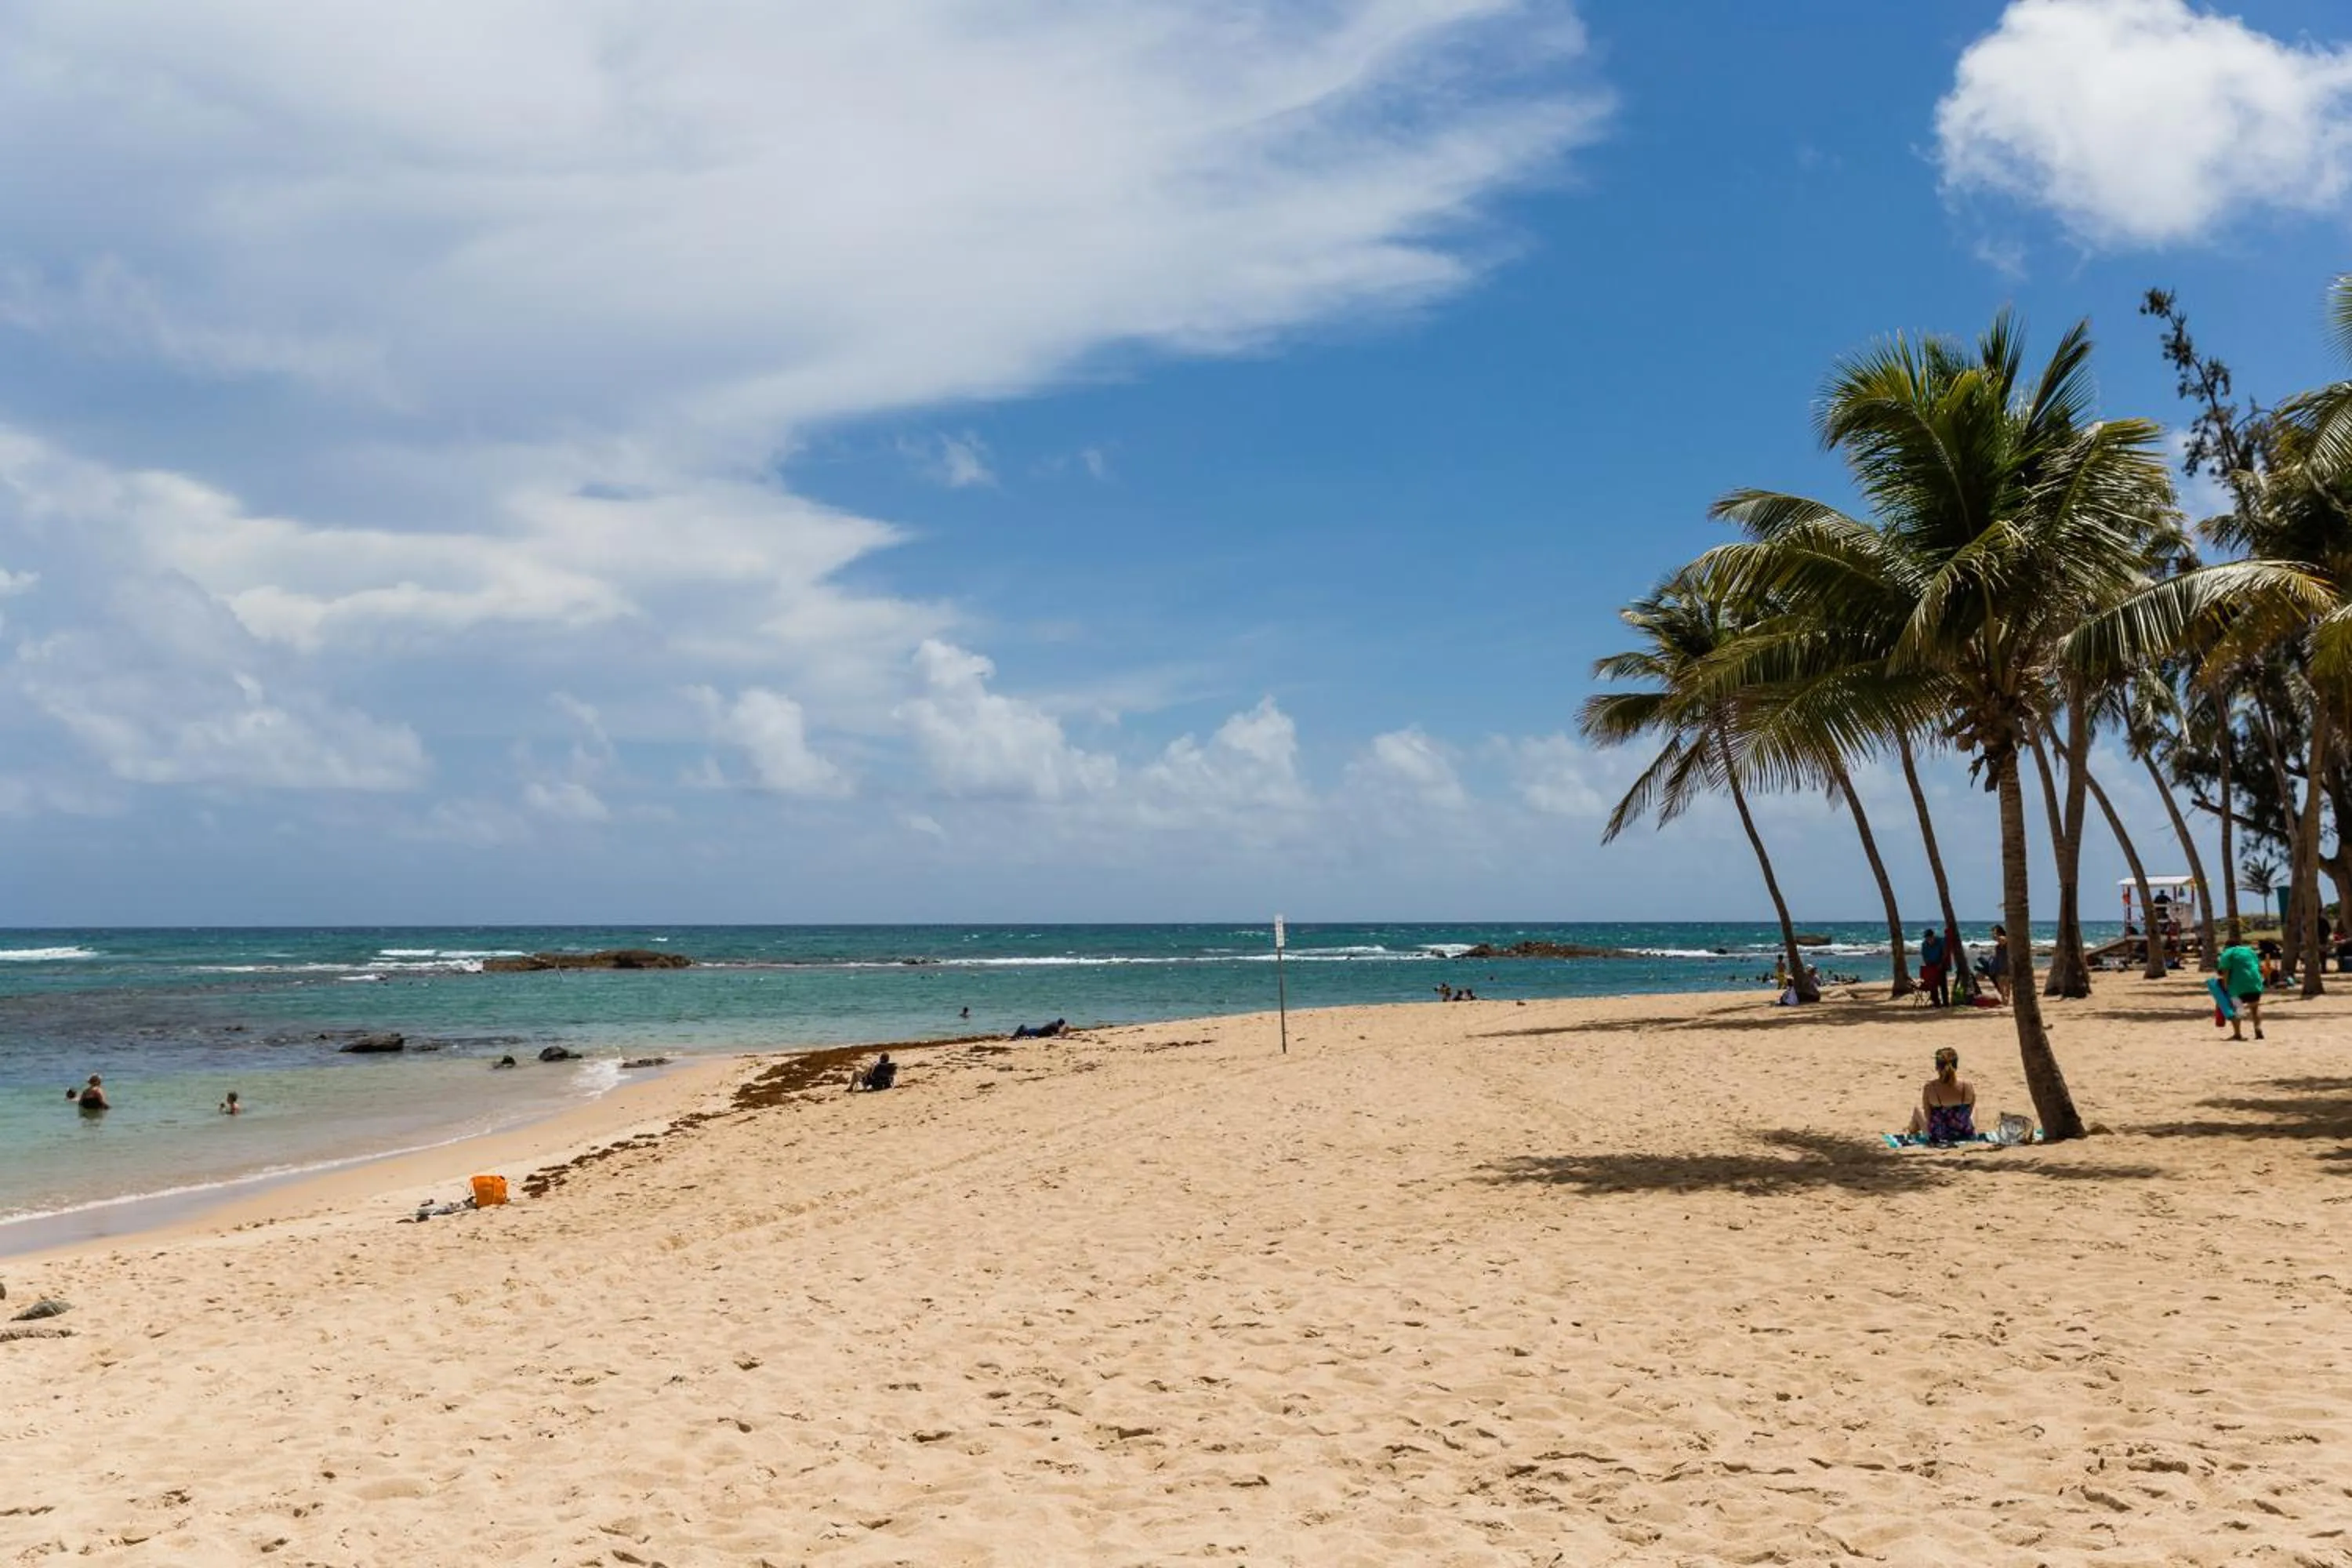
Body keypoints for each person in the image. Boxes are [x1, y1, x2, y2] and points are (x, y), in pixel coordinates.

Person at [1904, 1047, 1977, 1143]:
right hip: (1964, 1133)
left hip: (1939, 1136)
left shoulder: (1930, 1087)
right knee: (1974, 1110)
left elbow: (1928, 1116)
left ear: (1937, 1067)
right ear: (1956, 1066)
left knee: (1918, 1110)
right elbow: (1969, 1111)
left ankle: (1912, 1130)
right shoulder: (1967, 1085)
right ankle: (1973, 1132)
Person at [2216, 922, 2266, 1041]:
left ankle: (2238, 1034)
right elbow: (2259, 967)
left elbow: (2225, 971)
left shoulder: (2227, 953)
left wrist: (2226, 986)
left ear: (2227, 946)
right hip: (2254, 983)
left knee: (2238, 1008)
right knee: (2255, 1007)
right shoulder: (2250, 951)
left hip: (2238, 986)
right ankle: (2258, 1029)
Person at [1918, 926, 1947, 1007]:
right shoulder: (1924, 944)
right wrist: (1927, 964)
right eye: (1927, 938)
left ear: (1933, 936)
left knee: (1943, 984)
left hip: (1940, 964)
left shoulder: (1940, 941)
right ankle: (1936, 1003)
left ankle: (1945, 1003)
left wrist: (1941, 963)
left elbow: (1944, 953)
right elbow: (1924, 955)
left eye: (1930, 938)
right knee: (1932, 984)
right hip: (1930, 965)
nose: (1929, 940)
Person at [1984, 926, 2012, 1005]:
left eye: (1995, 932)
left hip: (2006, 966)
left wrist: (1996, 936)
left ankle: (2007, 1000)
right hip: (1999, 967)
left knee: (2007, 985)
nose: (1994, 935)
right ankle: (2004, 999)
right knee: (2001, 986)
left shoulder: (2006, 941)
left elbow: (2003, 939)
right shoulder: (1997, 947)